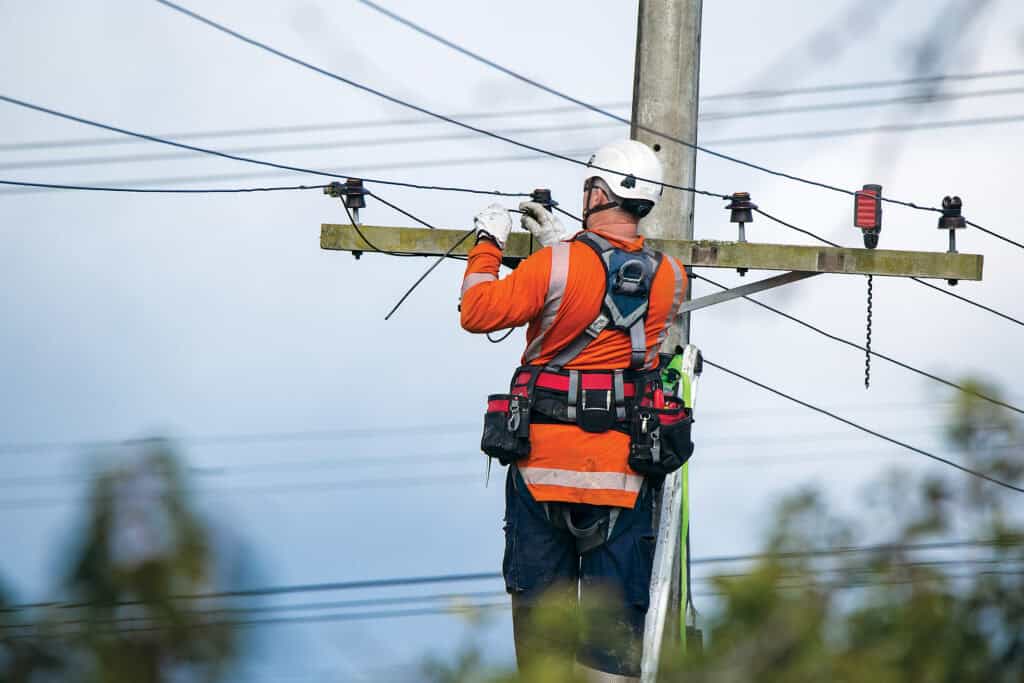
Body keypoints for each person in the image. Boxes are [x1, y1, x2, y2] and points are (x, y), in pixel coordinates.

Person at [460, 140, 689, 681]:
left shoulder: (555, 264)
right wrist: (565, 248)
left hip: (541, 472)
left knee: (544, 642)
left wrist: (488, 244)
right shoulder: (671, 277)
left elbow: (477, 310)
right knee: (611, 653)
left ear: (597, 191)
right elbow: (623, 325)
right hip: (623, 478)